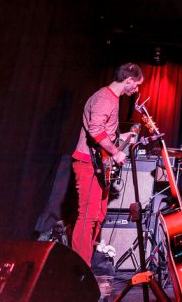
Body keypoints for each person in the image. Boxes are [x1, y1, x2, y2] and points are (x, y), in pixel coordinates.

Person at [71, 62, 144, 265]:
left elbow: (106, 133)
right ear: (128, 80)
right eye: (136, 85)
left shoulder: (112, 98)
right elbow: (95, 130)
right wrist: (116, 152)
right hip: (88, 164)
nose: (136, 90)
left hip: (99, 165)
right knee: (88, 216)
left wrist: (123, 137)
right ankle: (79, 269)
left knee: (98, 215)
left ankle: (84, 265)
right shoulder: (105, 98)